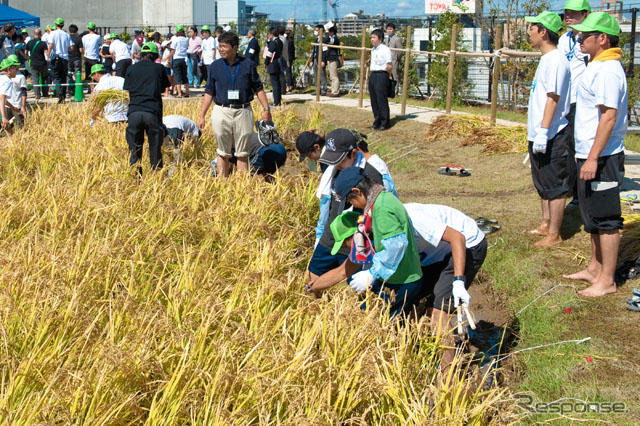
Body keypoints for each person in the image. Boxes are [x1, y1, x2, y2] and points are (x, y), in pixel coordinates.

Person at [563, 12, 627, 297]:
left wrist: (592, 158)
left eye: (584, 36)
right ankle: (594, 268)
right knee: (591, 215)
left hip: (602, 158)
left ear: (602, 39)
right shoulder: (595, 66)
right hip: (588, 154)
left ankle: (608, 280)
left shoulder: (608, 71)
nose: (579, 39)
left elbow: (609, 118)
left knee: (606, 219)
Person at [320, 167, 423, 318]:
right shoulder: (382, 199)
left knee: (383, 327)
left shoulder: (383, 208)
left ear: (358, 191)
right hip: (395, 277)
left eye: (351, 200)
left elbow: (396, 246)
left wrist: (372, 274)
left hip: (402, 281)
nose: (353, 205)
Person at [307, 128, 395, 284]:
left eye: (339, 160)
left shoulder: (371, 175)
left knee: (357, 289)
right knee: (311, 279)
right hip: (331, 235)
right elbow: (327, 203)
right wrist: (320, 234)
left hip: (356, 240)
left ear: (353, 153)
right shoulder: (333, 169)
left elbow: (380, 216)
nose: (335, 164)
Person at [524, 11, 571, 248]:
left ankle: (555, 233)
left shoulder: (556, 60)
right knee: (542, 180)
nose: (529, 33)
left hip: (552, 133)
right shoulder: (545, 59)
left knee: (555, 184)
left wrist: (543, 131)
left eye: (532, 28)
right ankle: (545, 223)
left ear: (543, 31)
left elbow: (553, 98)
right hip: (539, 132)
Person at [197, 31, 272, 177]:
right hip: (221, 111)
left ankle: (241, 188)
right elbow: (209, 92)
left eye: (224, 46)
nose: (221, 49)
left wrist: (266, 109)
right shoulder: (215, 66)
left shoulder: (248, 65)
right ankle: (223, 185)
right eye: (219, 46)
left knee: (242, 153)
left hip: (243, 112)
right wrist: (202, 115)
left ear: (235, 47)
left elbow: (259, 89)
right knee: (223, 153)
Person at [559, 0, 591, 207]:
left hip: (584, 101)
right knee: (567, 147)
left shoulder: (591, 39)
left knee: (583, 147)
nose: (569, 17)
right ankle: (571, 190)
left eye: (574, 13)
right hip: (566, 100)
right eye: (567, 13)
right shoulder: (564, 39)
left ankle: (583, 193)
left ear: (586, 14)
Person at [123, 42, 170, 172]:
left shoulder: (131, 69)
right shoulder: (159, 68)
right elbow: (163, 87)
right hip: (152, 112)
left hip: (134, 113)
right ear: (155, 55)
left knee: (134, 149)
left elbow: (126, 88)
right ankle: (156, 178)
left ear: (142, 54)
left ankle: (135, 177)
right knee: (155, 148)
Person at [369, 29, 392, 130]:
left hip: (382, 74)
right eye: (371, 37)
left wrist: (386, 76)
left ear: (380, 39)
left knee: (381, 99)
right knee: (374, 99)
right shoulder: (373, 50)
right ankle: (377, 120)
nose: (372, 39)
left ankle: (385, 122)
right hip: (373, 74)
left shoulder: (385, 49)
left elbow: (389, 65)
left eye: (374, 37)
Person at [47, 18, 75, 103]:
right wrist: (65, 48)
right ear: (63, 25)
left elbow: (51, 45)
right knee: (63, 77)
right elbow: (71, 48)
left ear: (55, 25)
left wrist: (48, 55)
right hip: (65, 58)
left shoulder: (53, 33)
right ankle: (63, 94)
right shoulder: (66, 34)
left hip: (56, 57)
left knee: (56, 77)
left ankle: (60, 95)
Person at [0, 56, 23, 134]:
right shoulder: (7, 81)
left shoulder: (1, 78)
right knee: (8, 129)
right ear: (9, 69)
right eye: (16, 69)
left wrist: (12, 107)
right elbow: (2, 98)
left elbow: (3, 100)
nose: (17, 71)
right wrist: (3, 117)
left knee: (8, 130)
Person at [26, 29, 49, 99]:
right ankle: (45, 93)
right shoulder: (43, 43)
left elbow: (25, 52)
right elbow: (46, 53)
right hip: (42, 63)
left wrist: (28, 59)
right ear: (40, 34)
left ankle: (37, 94)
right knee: (44, 78)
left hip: (33, 63)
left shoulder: (29, 43)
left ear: (34, 34)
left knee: (35, 79)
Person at [169, 25, 189, 97]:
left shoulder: (175, 39)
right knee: (184, 76)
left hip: (177, 58)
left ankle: (179, 93)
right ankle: (187, 92)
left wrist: (168, 58)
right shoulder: (186, 39)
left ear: (177, 32)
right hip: (184, 59)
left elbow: (172, 50)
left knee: (177, 77)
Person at [82, 22, 102, 94]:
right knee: (96, 74)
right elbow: (100, 44)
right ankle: (96, 90)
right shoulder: (97, 37)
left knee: (88, 75)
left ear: (88, 28)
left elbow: (83, 47)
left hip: (87, 57)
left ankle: (90, 90)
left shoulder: (84, 37)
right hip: (95, 57)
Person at [265, 27, 283, 106]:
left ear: (272, 34)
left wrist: (266, 62)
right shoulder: (280, 41)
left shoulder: (273, 43)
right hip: (278, 63)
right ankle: (278, 100)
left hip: (272, 64)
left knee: (274, 83)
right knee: (278, 83)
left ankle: (276, 101)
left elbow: (269, 54)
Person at [384, 23, 403, 90]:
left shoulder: (397, 39)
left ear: (394, 30)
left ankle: (395, 92)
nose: (389, 31)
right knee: (387, 76)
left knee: (395, 77)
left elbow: (400, 51)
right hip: (387, 61)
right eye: (388, 29)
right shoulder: (386, 39)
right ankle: (388, 91)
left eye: (391, 29)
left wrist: (397, 59)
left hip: (394, 61)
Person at [68, 24, 84, 98]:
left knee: (69, 74)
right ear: (76, 31)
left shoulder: (67, 37)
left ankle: (70, 89)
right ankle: (77, 89)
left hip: (68, 58)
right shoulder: (79, 38)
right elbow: (81, 50)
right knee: (77, 74)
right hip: (77, 58)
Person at [312, 24, 328, 96]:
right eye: (315, 30)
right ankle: (317, 90)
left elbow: (325, 51)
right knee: (315, 75)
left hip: (320, 59)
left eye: (317, 30)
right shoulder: (316, 40)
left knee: (322, 74)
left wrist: (323, 60)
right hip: (315, 58)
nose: (315, 31)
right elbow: (314, 51)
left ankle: (324, 89)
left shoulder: (323, 39)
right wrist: (312, 60)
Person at [325, 26, 341, 97]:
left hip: (333, 58)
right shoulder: (331, 38)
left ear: (332, 32)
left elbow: (328, 42)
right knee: (331, 76)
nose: (328, 33)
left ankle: (335, 91)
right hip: (330, 58)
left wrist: (327, 38)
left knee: (334, 76)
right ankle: (333, 90)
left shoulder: (335, 38)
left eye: (329, 32)